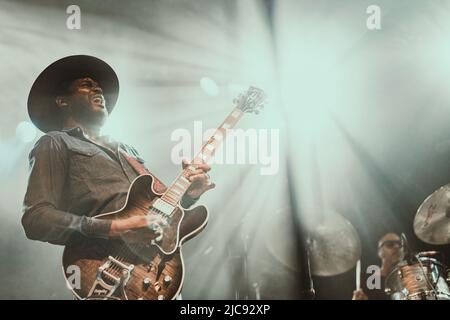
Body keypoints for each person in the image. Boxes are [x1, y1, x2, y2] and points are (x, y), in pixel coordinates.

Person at [22, 55, 215, 249]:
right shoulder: (55, 142)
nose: (98, 89)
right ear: (63, 101)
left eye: (98, 86)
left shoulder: (127, 150)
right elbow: (36, 218)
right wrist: (114, 228)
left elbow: (158, 210)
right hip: (101, 264)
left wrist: (188, 195)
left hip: (149, 265)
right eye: (87, 85)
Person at [352, 232, 404, 300]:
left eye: (400, 244)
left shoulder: (409, 277)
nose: (396, 247)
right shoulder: (367, 282)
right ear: (380, 252)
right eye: (390, 244)